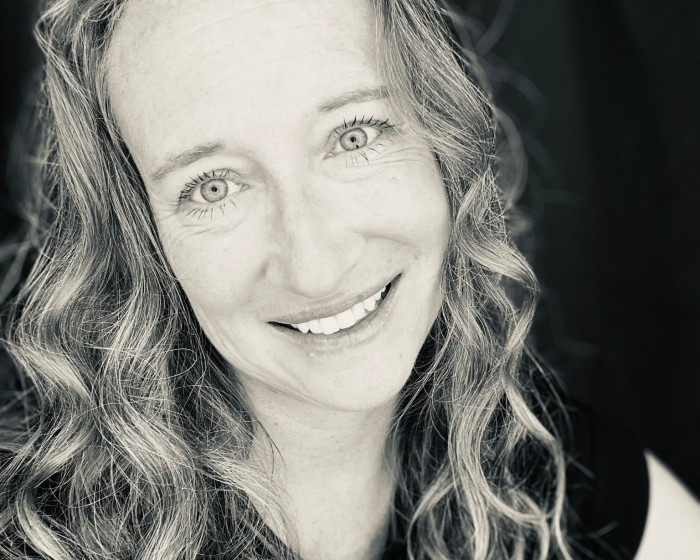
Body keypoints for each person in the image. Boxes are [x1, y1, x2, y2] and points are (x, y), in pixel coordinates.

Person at [0, 0, 698, 559]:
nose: (316, 266)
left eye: (353, 136)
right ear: (140, 239)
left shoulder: (565, 491)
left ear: (443, 142)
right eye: (214, 186)